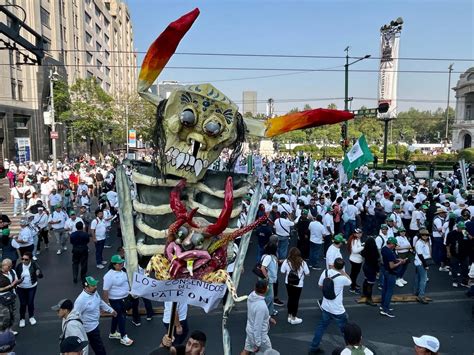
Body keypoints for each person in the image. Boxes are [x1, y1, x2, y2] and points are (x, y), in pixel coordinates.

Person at [309, 258, 351, 354]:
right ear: (342, 267)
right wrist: (343, 272)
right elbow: (350, 281)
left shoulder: (326, 272)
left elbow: (320, 285)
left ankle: (313, 348)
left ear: (334, 265)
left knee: (321, 327)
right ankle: (349, 349)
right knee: (346, 330)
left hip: (326, 306)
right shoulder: (342, 278)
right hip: (338, 309)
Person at [74, 276, 116, 355]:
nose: (95, 287)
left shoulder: (94, 292)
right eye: (93, 285)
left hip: (94, 325)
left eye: (95, 285)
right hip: (87, 329)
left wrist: (111, 310)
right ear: (86, 287)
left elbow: (100, 302)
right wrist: (77, 331)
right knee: (94, 348)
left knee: (97, 346)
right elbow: (75, 315)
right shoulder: (81, 300)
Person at [102, 254, 134, 346]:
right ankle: (124, 337)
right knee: (121, 317)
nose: (121, 264)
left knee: (116, 316)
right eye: (119, 264)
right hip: (115, 300)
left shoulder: (122, 271)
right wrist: (107, 304)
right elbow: (105, 291)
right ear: (114, 265)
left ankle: (112, 333)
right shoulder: (109, 276)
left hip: (124, 299)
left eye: (122, 263)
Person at [242, 279, 276, 354]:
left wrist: (269, 318)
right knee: (268, 352)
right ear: (266, 289)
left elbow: (255, 312)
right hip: (261, 336)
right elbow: (257, 326)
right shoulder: (261, 306)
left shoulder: (251, 296)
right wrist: (258, 343)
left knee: (246, 350)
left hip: (249, 330)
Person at [280, 247, 309, 325]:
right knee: (296, 300)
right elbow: (307, 273)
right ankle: (294, 317)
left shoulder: (286, 261)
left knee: (290, 298)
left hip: (288, 282)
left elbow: (282, 271)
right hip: (298, 284)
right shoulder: (303, 263)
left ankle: (289, 316)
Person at [380, 237, 407, 318]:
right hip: (391, 273)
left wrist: (397, 259)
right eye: (394, 245)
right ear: (391, 244)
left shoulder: (384, 249)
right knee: (389, 291)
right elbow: (392, 266)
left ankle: (383, 305)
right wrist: (400, 262)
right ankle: (385, 309)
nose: (395, 246)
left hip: (385, 270)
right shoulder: (390, 253)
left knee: (385, 288)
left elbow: (389, 260)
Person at [15, 251, 42, 328]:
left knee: (30, 302)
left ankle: (31, 317)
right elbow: (15, 276)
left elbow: (41, 275)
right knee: (23, 303)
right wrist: (17, 282)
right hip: (21, 287)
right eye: (22, 259)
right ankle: (22, 319)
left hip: (31, 287)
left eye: (26, 259)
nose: (23, 261)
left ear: (30, 259)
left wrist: (38, 273)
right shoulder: (19, 266)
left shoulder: (34, 265)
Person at [446, 221, 471, 288]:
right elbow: (448, 244)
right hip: (454, 254)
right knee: (454, 268)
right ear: (457, 227)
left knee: (465, 268)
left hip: (465, 254)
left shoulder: (465, 233)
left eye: (464, 228)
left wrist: (468, 235)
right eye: (461, 228)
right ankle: (455, 281)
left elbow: (470, 240)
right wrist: (448, 252)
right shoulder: (451, 234)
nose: (462, 229)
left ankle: (464, 281)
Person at [260, 242, 278, 317]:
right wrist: (267, 277)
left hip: (270, 280)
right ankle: (264, 312)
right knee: (269, 297)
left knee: (270, 296)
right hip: (269, 280)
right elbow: (262, 268)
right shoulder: (269, 257)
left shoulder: (268, 256)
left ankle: (270, 311)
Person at [414, 229, 432, 304]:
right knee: (423, 279)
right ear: (420, 235)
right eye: (423, 235)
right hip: (421, 262)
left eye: (427, 235)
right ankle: (421, 296)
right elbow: (420, 255)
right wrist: (425, 265)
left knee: (418, 277)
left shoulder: (426, 241)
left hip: (421, 261)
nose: (425, 236)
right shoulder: (419, 243)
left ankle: (416, 292)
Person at [360, 237, 379, 306]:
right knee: (370, 284)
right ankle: (369, 299)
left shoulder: (365, 250)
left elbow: (362, 253)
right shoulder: (374, 251)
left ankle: (364, 294)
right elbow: (375, 262)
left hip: (365, 266)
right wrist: (377, 271)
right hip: (371, 268)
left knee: (366, 280)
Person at [348, 228, 364, 294]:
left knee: (355, 274)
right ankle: (352, 287)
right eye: (358, 233)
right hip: (355, 260)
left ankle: (354, 284)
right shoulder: (354, 240)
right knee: (354, 275)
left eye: (360, 233)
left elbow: (358, 247)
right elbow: (354, 250)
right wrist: (363, 246)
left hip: (357, 259)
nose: (360, 234)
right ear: (354, 234)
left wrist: (362, 245)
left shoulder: (358, 239)